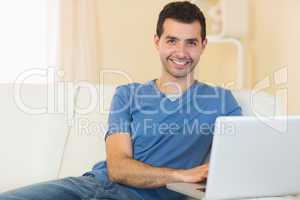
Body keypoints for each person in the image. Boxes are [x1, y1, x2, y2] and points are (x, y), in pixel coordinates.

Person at [0, 1, 241, 200]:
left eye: (191, 42)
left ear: (203, 46)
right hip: (90, 186)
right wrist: (182, 175)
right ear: (157, 42)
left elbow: (239, 163)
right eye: (172, 40)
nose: (181, 52)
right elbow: (118, 168)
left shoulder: (221, 101)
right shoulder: (127, 94)